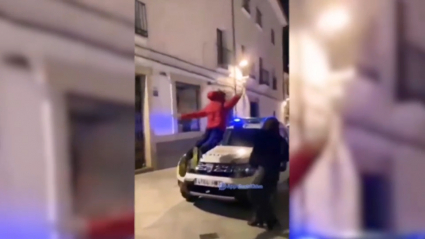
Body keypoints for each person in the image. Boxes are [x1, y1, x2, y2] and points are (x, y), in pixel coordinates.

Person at [178, 89, 243, 166]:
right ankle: (199, 154)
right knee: (211, 143)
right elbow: (231, 104)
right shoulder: (222, 104)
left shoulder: (210, 106)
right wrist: (237, 96)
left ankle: (188, 156)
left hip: (209, 128)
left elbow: (198, 114)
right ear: (221, 97)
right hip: (218, 127)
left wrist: (183, 116)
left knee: (200, 142)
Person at [247, 117, 289, 230]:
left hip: (263, 170)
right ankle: (261, 219)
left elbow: (256, 151)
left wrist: (252, 163)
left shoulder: (261, 135)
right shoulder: (280, 140)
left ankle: (269, 219)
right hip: (274, 172)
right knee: (265, 196)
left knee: (254, 193)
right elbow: (285, 156)